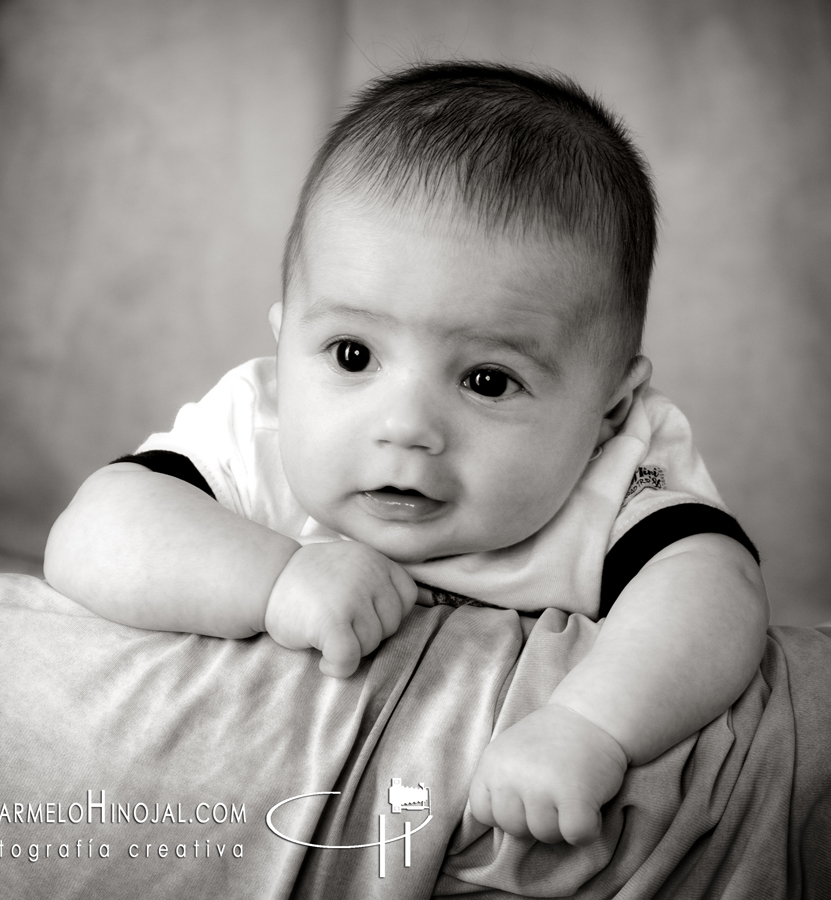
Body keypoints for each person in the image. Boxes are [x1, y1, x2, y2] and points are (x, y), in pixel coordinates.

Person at [44, 62, 768, 848]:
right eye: (353, 355)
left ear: (608, 411)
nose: (407, 426)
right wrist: (275, 578)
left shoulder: (618, 472)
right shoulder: (260, 425)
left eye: (488, 380)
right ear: (287, 343)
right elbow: (93, 532)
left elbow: (716, 593)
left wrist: (589, 724)